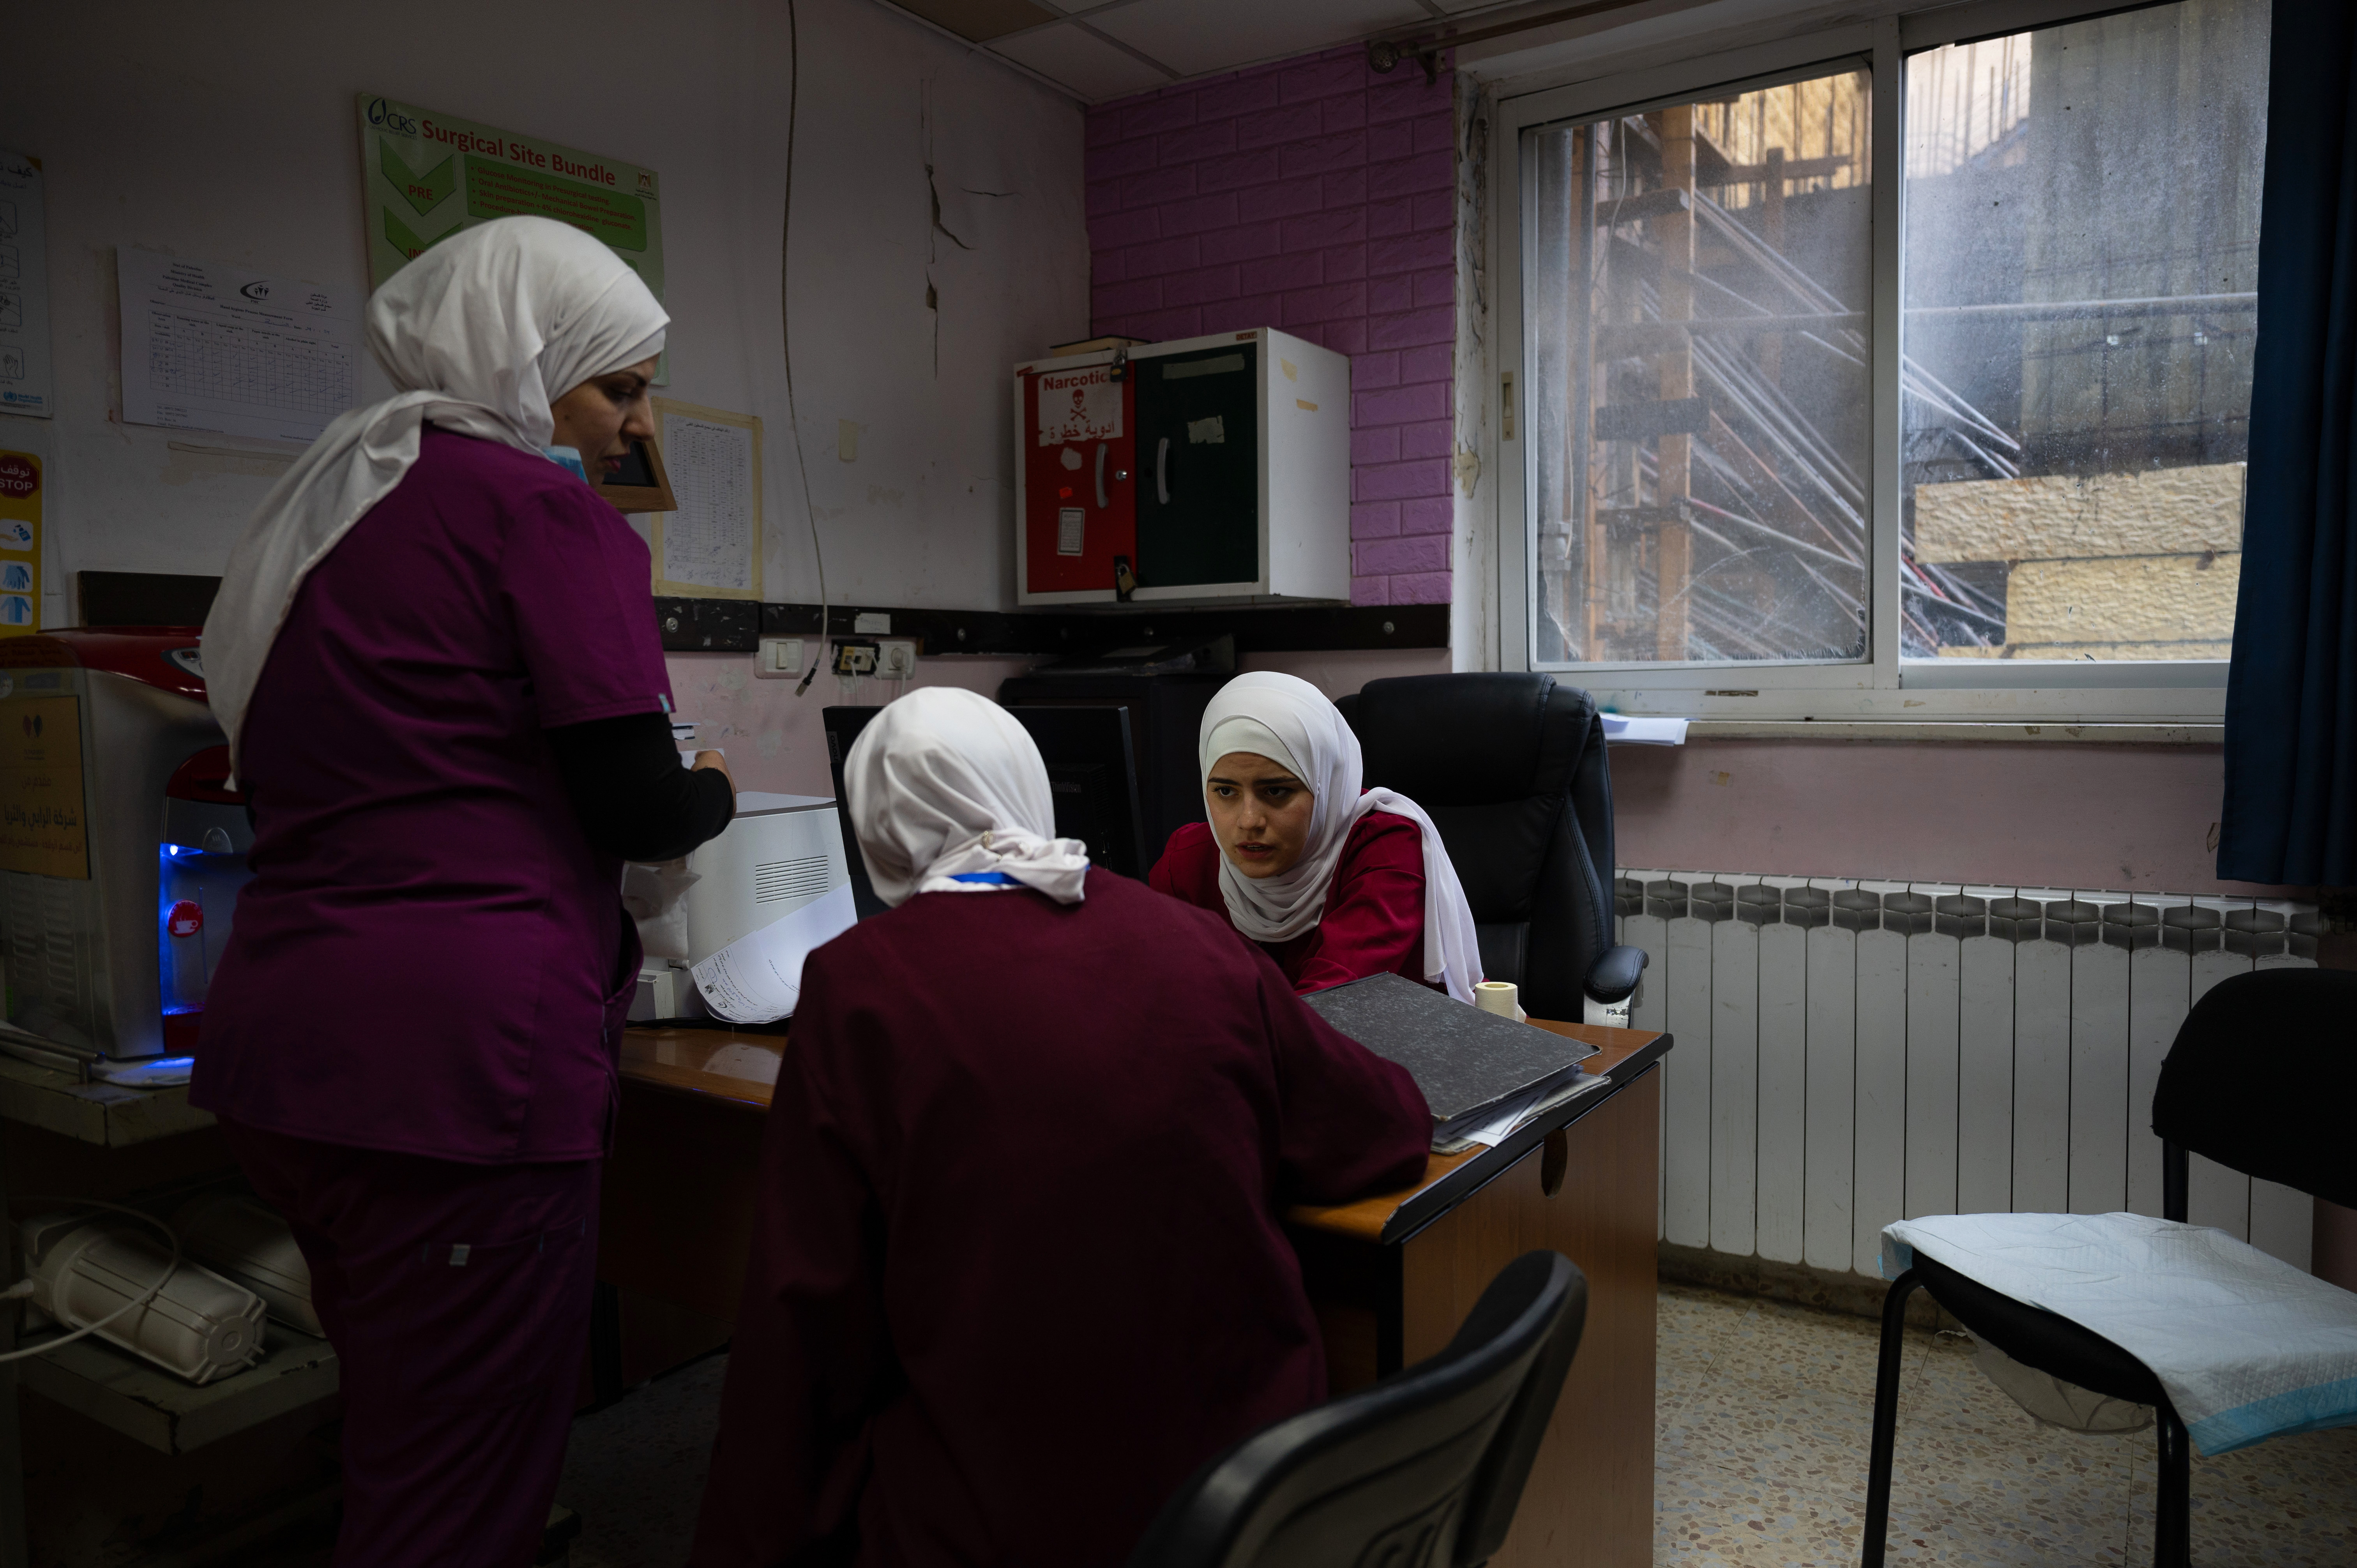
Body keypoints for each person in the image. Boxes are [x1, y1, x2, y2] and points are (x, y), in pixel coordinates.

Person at [189, 216, 736, 1568]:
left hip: (286, 1053)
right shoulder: (543, 514)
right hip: (455, 1081)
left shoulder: (332, 509)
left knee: (400, 1420)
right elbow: (636, 806)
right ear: (529, 361)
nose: (634, 425)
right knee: (461, 1483)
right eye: (619, 385)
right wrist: (713, 786)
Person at [689, 687, 1429, 1568]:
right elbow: (1382, 1127)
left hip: (1003, 1513)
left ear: (877, 824)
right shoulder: (1196, 938)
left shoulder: (858, 984)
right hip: (1252, 1495)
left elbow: (805, 1315)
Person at [1148, 670, 1483, 1000]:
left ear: (1324, 787)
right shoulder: (1187, 863)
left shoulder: (1387, 848)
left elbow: (1332, 1003)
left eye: (1276, 791)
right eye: (1225, 792)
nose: (1248, 821)